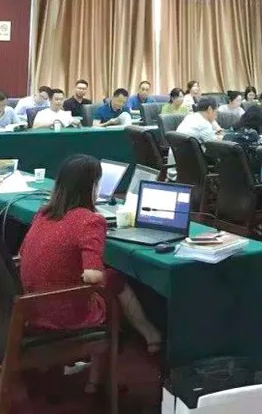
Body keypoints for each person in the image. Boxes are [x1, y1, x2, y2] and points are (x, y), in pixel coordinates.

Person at [19, 154, 162, 392]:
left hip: (31, 306)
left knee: (110, 279)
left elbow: (23, 253)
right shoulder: (90, 220)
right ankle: (103, 374)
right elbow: (93, 277)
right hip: (64, 313)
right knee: (113, 280)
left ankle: (142, 341)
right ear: (91, 187)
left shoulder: (43, 213)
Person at [223, 104, 262, 181]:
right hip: (250, 173)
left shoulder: (233, 129)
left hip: (231, 175)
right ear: (258, 122)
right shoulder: (252, 134)